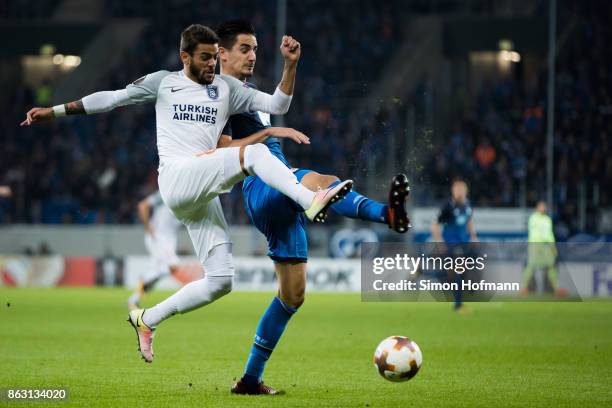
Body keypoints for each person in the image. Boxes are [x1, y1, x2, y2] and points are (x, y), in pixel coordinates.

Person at [21, 24, 354, 364]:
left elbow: (278, 104)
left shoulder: (225, 88)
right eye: (205, 58)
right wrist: (55, 111)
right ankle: (308, 200)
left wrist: (290, 65)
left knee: (221, 281)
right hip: (177, 178)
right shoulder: (164, 82)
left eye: (214, 57)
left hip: (200, 191)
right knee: (256, 154)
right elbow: (112, 98)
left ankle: (146, 318)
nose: (212, 65)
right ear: (185, 57)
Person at [215, 20, 411, 395]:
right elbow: (222, 148)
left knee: (292, 296)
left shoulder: (249, 92)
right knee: (323, 181)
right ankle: (386, 214)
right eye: (244, 48)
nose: (253, 55)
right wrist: (268, 134)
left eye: (256, 48)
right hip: (262, 185)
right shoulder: (216, 96)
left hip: (280, 193)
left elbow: (280, 104)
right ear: (222, 53)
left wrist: (290, 65)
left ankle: (250, 380)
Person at [127, 191, 183, 310]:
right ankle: (145, 278)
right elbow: (143, 206)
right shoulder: (167, 192)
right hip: (159, 237)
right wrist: (148, 227)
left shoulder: (188, 197)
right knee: (173, 266)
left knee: (158, 271)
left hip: (169, 239)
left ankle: (134, 299)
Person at [431, 179, 477, 312]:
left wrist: (473, 236)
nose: (459, 192)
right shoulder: (448, 206)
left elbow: (469, 220)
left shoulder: (468, 205)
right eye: (456, 189)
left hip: (464, 242)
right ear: (453, 191)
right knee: (459, 270)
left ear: (466, 191)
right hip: (451, 243)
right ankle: (458, 305)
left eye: (461, 189)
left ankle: (422, 271)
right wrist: (439, 242)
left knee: (453, 274)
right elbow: (434, 225)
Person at [521, 201, 565, 296]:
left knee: (551, 265)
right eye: (541, 207)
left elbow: (549, 234)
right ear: (537, 208)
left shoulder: (547, 219)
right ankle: (524, 288)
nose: (542, 208)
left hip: (546, 246)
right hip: (535, 244)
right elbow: (538, 231)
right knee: (530, 265)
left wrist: (553, 246)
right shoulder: (533, 218)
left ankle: (557, 289)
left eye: (544, 207)